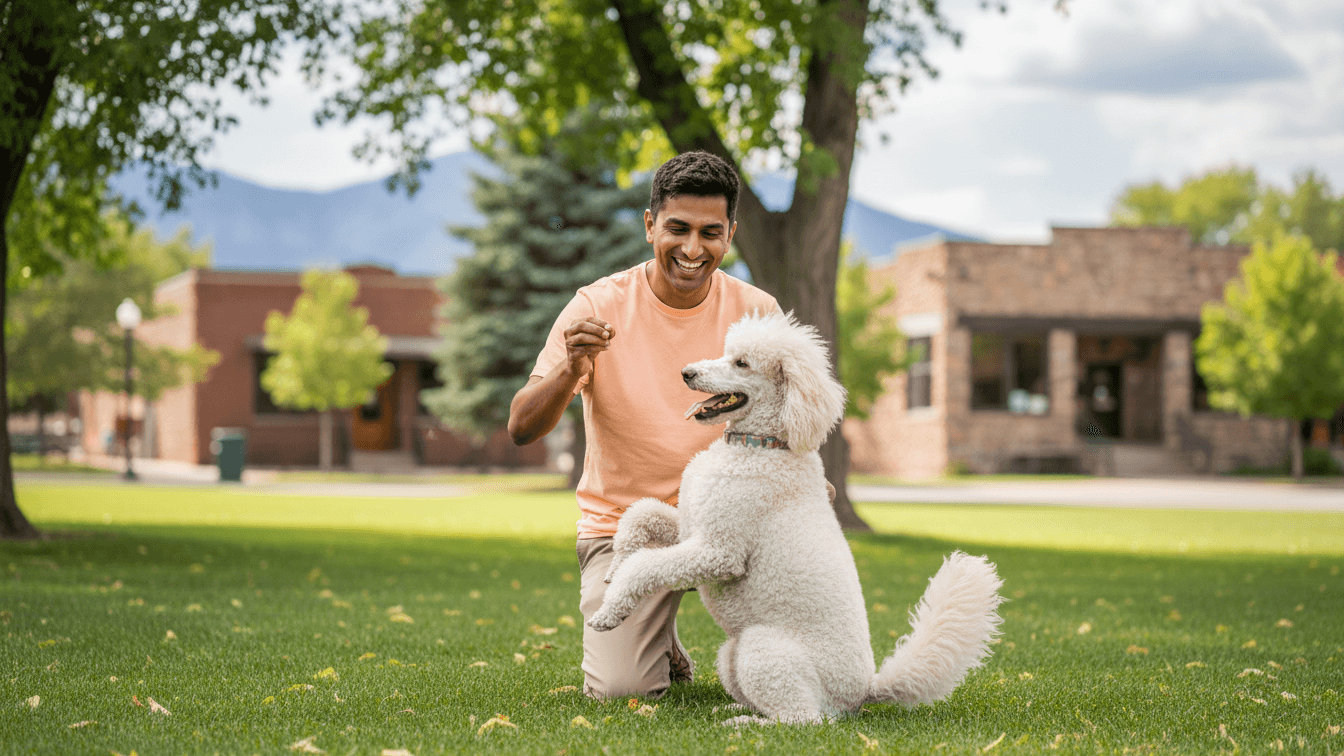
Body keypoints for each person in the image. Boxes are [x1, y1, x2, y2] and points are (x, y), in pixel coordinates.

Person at [507, 151, 781, 699]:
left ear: (730, 234)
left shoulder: (757, 312)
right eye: (677, 228)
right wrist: (570, 371)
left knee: (794, 630)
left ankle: (671, 631)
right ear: (650, 224)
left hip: (734, 517)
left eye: (710, 232)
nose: (692, 248)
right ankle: (655, 637)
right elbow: (520, 426)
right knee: (620, 692)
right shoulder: (597, 306)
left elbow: (786, 412)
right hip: (625, 525)